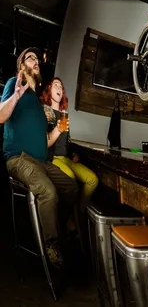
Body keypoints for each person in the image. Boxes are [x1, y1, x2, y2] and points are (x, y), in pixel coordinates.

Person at [1, 48, 78, 267]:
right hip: (19, 158)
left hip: (42, 162)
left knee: (71, 187)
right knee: (48, 192)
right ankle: (52, 243)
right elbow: (0, 115)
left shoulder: (36, 102)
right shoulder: (12, 86)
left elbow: (44, 141)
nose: (36, 61)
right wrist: (14, 97)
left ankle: (56, 226)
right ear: (21, 66)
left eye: (37, 58)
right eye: (30, 58)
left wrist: (57, 132)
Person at [41, 77, 98, 211]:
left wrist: (73, 153)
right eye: (56, 85)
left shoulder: (64, 115)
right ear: (49, 89)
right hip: (52, 158)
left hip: (65, 158)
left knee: (92, 179)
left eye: (61, 87)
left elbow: (66, 140)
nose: (59, 88)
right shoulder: (45, 111)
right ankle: (69, 218)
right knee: (70, 179)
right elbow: (43, 138)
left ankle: (78, 212)